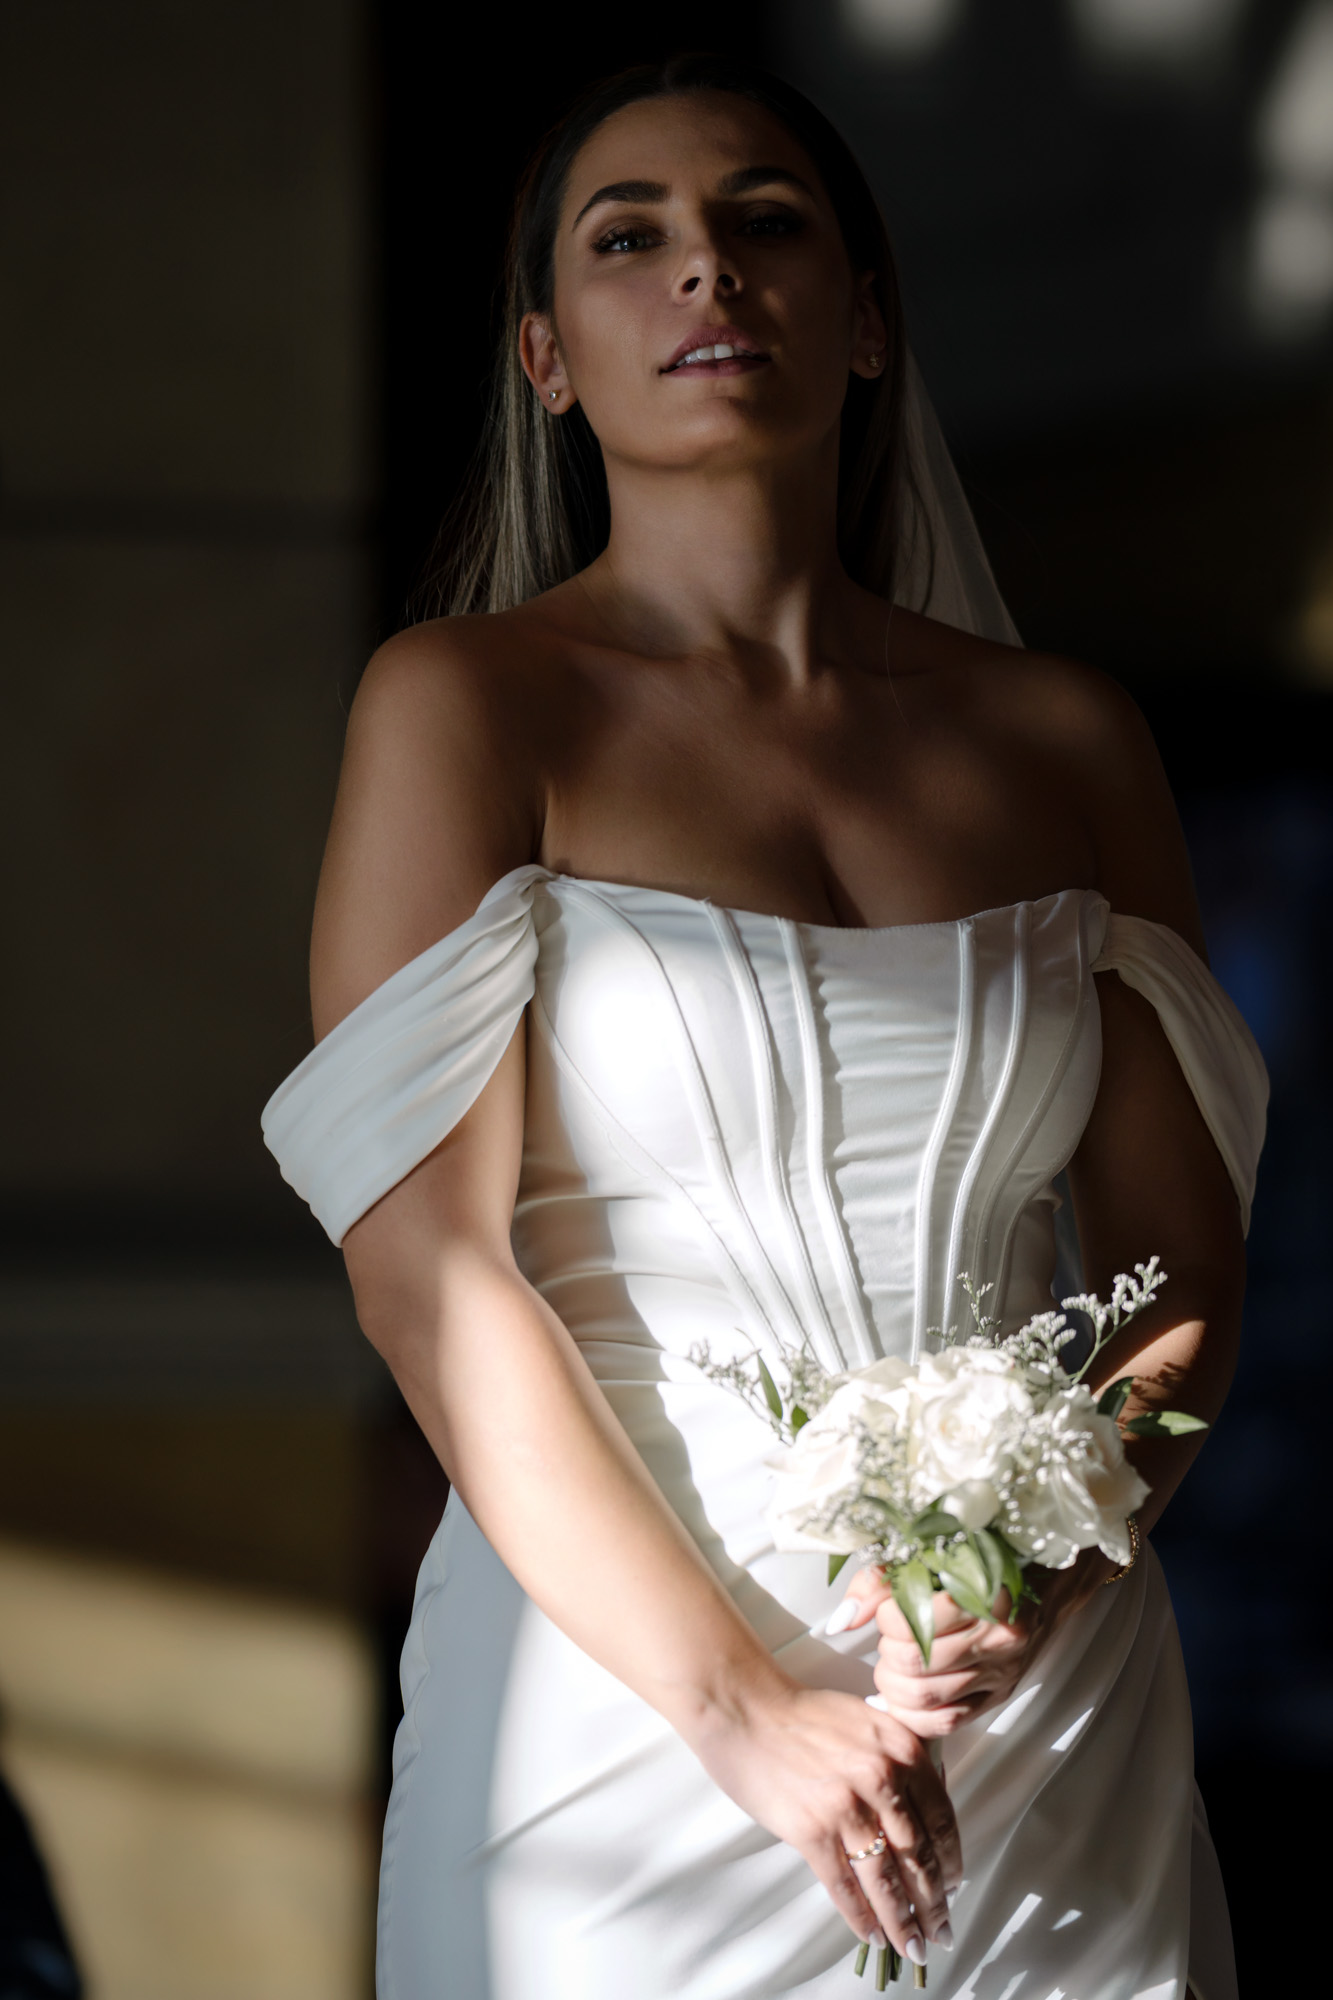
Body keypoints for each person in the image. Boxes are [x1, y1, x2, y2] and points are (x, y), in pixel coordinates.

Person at [263, 55, 1267, 2000]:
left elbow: (1178, 1268)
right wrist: (742, 1711)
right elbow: (430, 1274)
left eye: (764, 221)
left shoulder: (1067, 740)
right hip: (617, 1713)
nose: (704, 271)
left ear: (866, 316)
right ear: (550, 357)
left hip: (1032, 1713)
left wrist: (1030, 1582)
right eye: (628, 238)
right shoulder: (467, 708)